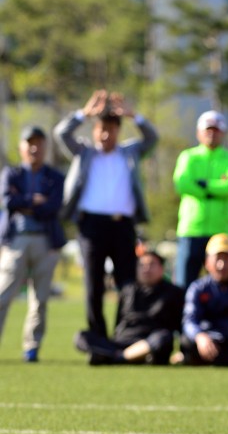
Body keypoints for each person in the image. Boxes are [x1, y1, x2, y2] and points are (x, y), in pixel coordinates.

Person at [54, 89, 159, 337]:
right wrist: (84, 113)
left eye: (110, 130)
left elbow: (152, 138)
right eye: (101, 129)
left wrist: (133, 116)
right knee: (94, 284)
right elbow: (61, 134)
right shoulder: (85, 153)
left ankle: (122, 335)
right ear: (94, 130)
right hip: (91, 226)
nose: (105, 135)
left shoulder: (129, 152)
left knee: (127, 284)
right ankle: (98, 338)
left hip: (123, 226)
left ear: (118, 131)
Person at [0, 126, 66, 362]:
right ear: (21, 147)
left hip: (45, 241)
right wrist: (34, 200)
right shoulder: (12, 173)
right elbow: (9, 201)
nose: (34, 148)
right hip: (16, 240)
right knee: (3, 294)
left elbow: (53, 207)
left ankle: (32, 347)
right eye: (29, 143)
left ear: (45, 146)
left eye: (38, 143)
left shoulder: (55, 177)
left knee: (40, 299)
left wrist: (25, 203)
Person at [74, 250, 185, 365]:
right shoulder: (128, 289)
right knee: (82, 337)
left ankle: (113, 357)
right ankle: (126, 357)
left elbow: (178, 326)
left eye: (151, 264)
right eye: (142, 265)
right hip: (121, 341)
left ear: (162, 268)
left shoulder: (174, 292)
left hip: (149, 341)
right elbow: (119, 320)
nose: (146, 269)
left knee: (164, 338)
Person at [173, 110, 228, 289]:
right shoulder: (188, 156)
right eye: (208, 130)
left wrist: (204, 185)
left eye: (216, 130)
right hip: (191, 229)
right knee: (184, 285)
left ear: (223, 133)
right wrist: (216, 188)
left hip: (220, 231)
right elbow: (182, 184)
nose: (212, 134)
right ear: (198, 132)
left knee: (221, 285)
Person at [173, 233, 228, 366]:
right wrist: (200, 336)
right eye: (217, 259)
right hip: (208, 341)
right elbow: (189, 320)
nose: (221, 265)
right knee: (187, 341)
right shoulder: (198, 288)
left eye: (226, 259)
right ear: (207, 262)